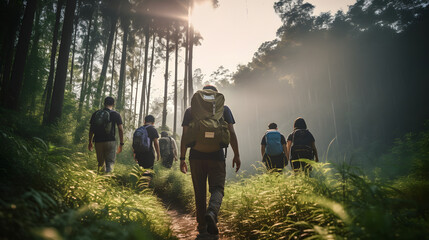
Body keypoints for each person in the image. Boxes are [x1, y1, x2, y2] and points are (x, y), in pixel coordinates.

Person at [180, 85, 241, 239]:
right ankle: (212, 212)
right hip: (217, 155)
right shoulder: (224, 110)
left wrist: (182, 158)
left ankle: (202, 227)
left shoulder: (190, 110)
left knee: (199, 191)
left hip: (195, 156)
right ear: (215, 96)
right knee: (218, 189)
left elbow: (185, 136)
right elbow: (231, 133)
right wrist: (236, 155)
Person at [88, 97, 124, 173]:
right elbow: (120, 129)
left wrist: (90, 142)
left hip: (98, 141)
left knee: (100, 163)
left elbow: (91, 129)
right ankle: (108, 181)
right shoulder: (116, 114)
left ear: (104, 103)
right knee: (110, 163)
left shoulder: (96, 114)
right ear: (113, 104)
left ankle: (99, 182)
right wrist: (121, 143)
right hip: (110, 141)